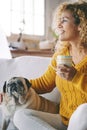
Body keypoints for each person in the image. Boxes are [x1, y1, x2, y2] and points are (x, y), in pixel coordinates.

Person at [1, 1, 87, 130]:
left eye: (64, 20)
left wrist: (76, 77)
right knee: (20, 115)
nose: (58, 25)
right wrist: (10, 90)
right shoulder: (60, 55)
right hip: (63, 119)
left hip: (83, 120)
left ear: (80, 24)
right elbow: (44, 84)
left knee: (84, 111)